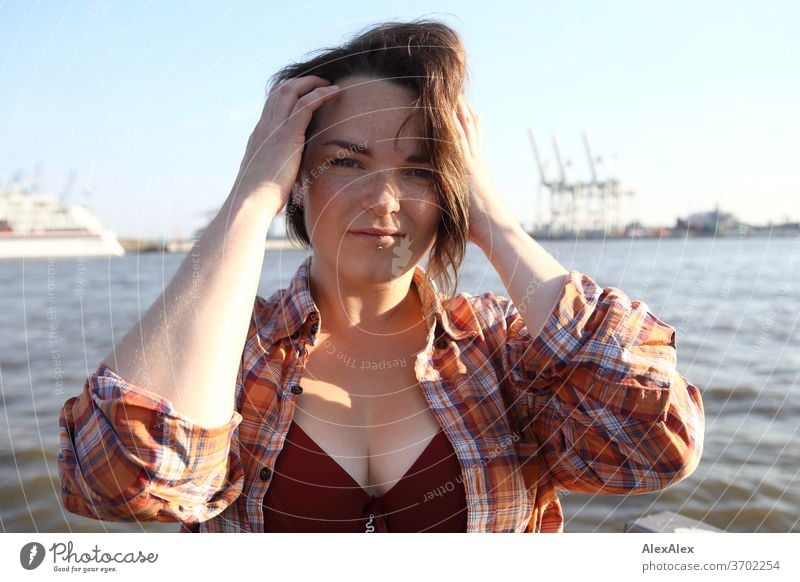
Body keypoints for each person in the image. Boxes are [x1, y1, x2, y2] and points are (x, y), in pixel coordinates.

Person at [57, 20, 704, 533]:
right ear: (298, 180)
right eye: (346, 161)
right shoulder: (236, 353)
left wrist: (496, 222)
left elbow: (657, 443)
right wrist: (250, 200)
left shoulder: (505, 352)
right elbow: (110, 480)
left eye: (420, 170)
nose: (385, 199)